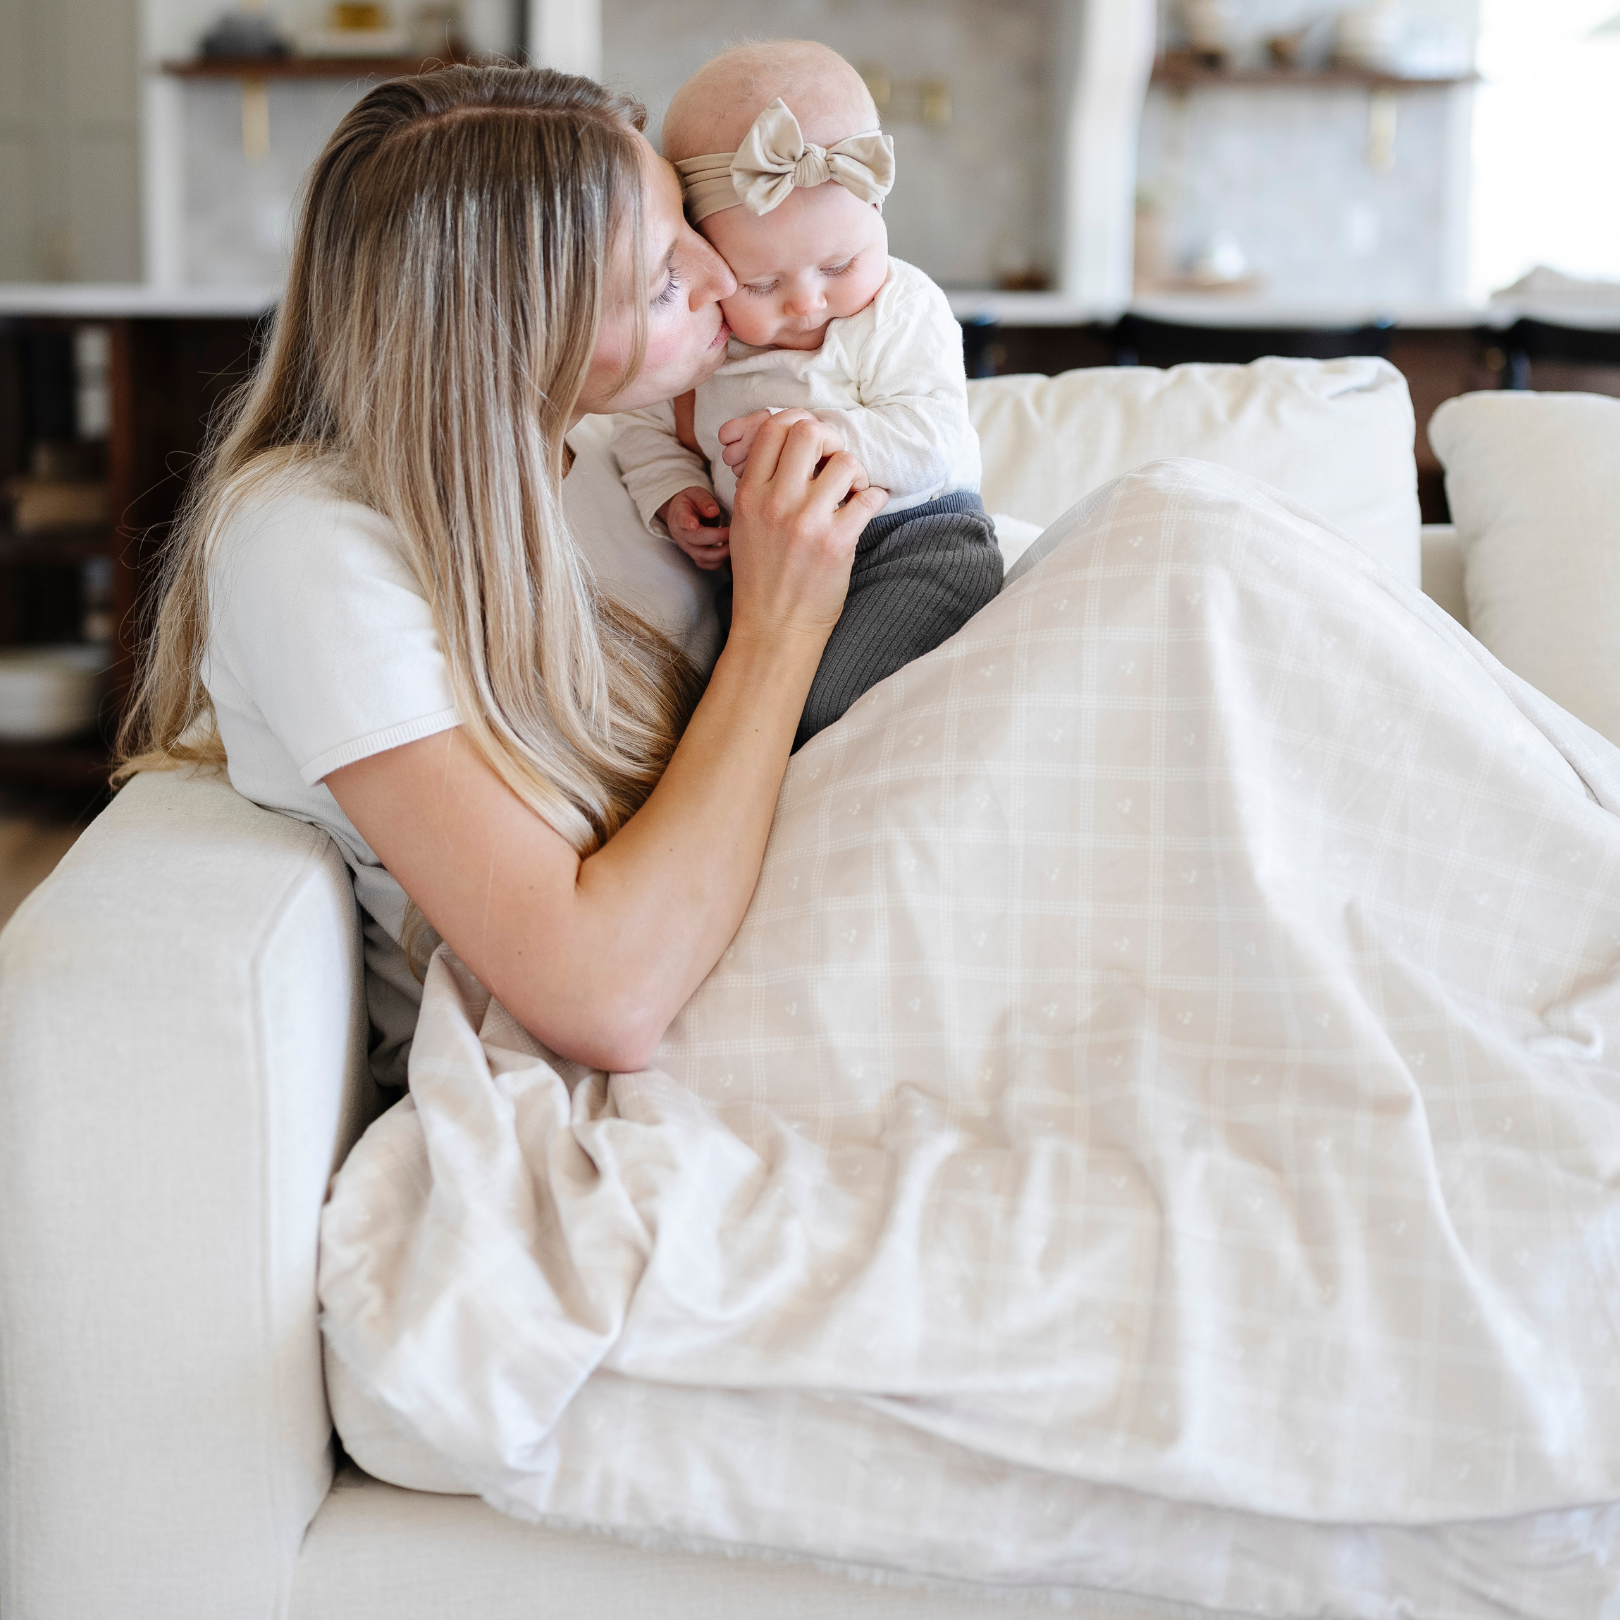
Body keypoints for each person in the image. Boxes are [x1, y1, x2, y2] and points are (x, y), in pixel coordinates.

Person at [118, 63, 885, 1085]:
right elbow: (604, 1000)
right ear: (509, 335)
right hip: (614, 1059)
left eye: (689, 224)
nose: (720, 277)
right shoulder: (311, 547)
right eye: (662, 280)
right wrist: (781, 628)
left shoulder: (618, 457)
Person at [610, 42, 1002, 748]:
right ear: (704, 253)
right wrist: (672, 492)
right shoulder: (705, 331)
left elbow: (937, 440)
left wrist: (819, 436)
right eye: (761, 283)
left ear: (877, 211)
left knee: (818, 715)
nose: (808, 301)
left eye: (839, 264)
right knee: (700, 723)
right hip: (759, 570)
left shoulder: (898, 307)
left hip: (911, 542)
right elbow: (643, 427)